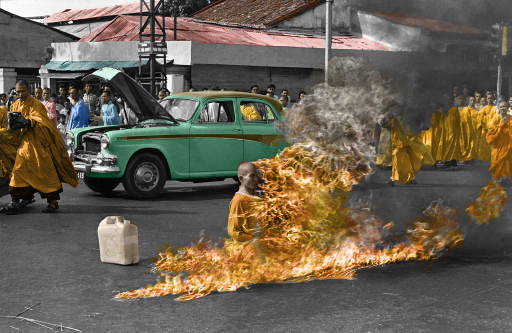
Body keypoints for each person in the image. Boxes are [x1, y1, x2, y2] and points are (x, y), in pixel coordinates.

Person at [0, 80, 78, 214]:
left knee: (46, 173)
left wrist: (29, 122)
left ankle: (53, 202)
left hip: (38, 144)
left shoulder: (37, 105)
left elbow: (44, 123)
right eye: (18, 92)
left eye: (23, 91)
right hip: (24, 145)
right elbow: (11, 127)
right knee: (18, 172)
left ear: (28, 90)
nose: (20, 94)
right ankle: (16, 201)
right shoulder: (15, 105)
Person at [227, 161, 263, 242]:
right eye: (252, 176)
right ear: (241, 179)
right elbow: (233, 231)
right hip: (249, 248)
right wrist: (253, 240)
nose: (256, 179)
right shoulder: (239, 200)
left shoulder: (256, 195)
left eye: (257, 176)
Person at [486, 100, 512, 182]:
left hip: (508, 145)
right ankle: (497, 178)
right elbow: (490, 133)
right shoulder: (495, 119)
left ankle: (507, 178)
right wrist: (499, 129)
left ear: (507, 108)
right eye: (501, 107)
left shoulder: (511, 119)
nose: (503, 108)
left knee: (508, 163)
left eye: (504, 106)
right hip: (498, 146)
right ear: (498, 108)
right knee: (496, 162)